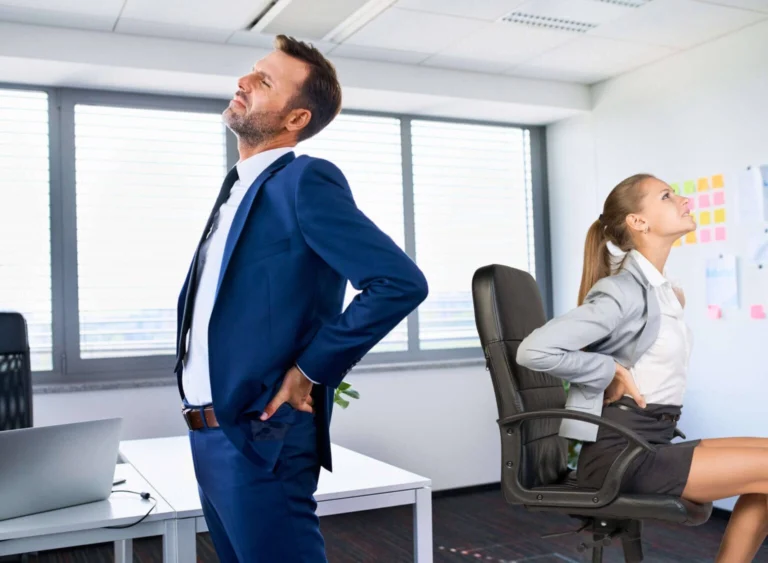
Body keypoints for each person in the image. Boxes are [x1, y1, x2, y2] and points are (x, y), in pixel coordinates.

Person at [174, 35, 428, 562]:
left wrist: (311, 369)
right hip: (209, 435)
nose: (243, 82)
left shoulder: (303, 181)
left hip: (260, 437)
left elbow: (398, 282)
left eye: (264, 81)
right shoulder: (235, 191)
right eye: (251, 71)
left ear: (295, 119)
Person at [516, 173, 768, 562]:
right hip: (622, 454)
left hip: (651, 439)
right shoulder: (623, 291)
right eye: (667, 196)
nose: (683, 200)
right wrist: (608, 370)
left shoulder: (665, 292)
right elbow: (534, 350)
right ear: (638, 222)